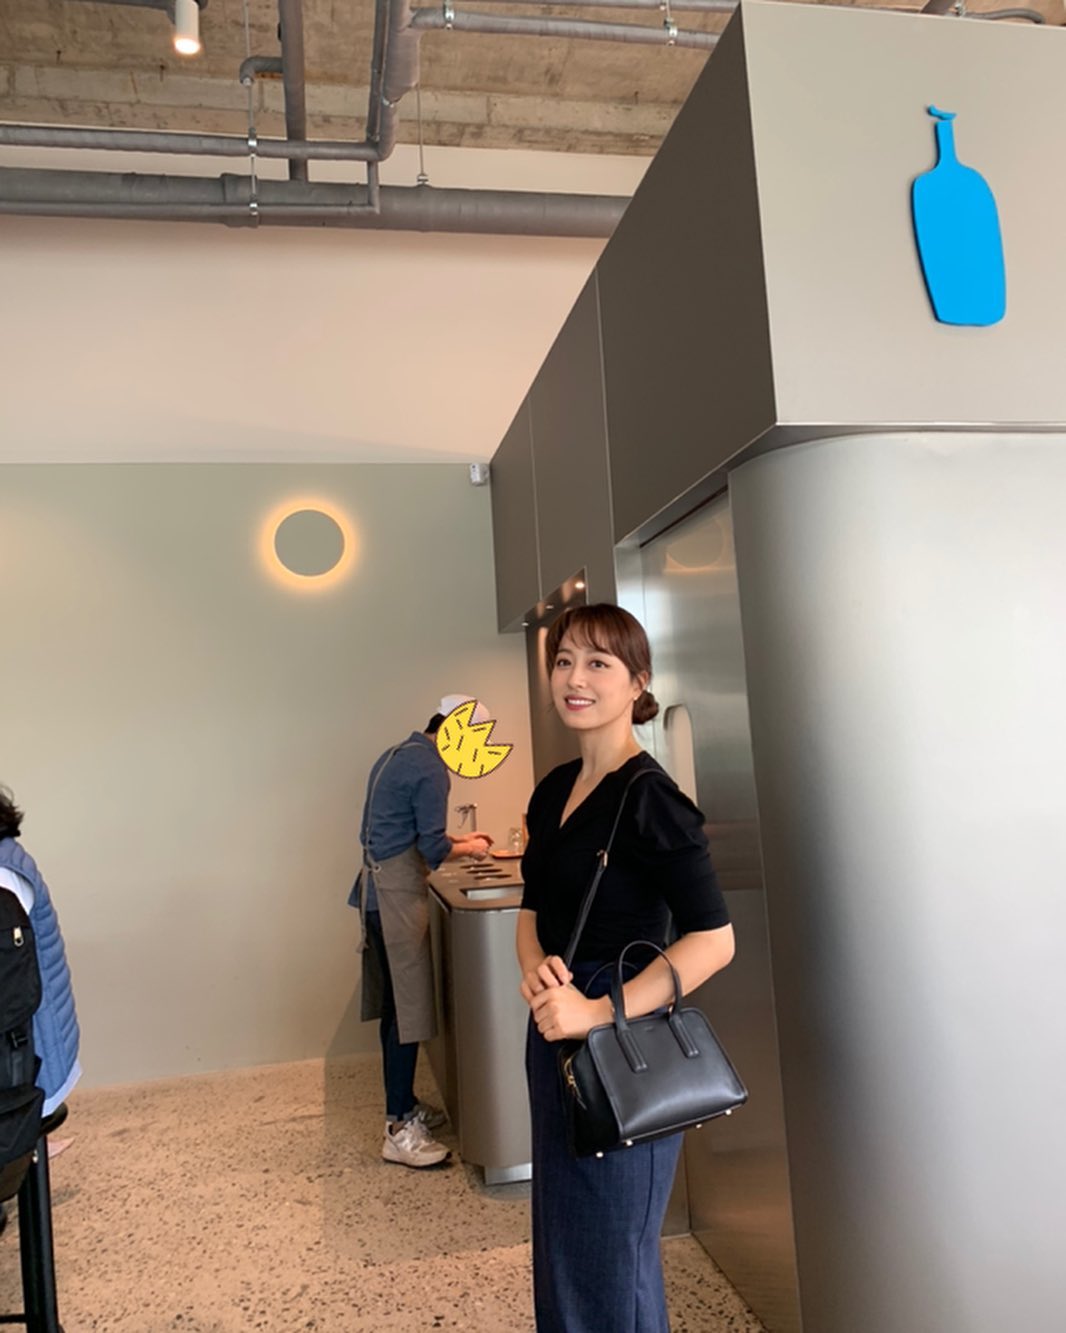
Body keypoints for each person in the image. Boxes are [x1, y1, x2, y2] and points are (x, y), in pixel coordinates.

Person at [517, 605, 736, 1333]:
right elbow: (532, 909)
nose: (575, 679)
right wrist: (538, 973)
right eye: (564, 661)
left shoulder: (652, 799)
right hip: (554, 1029)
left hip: (621, 1036)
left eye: (598, 663)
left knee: (611, 1252)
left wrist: (596, 1010)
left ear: (638, 681)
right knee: (562, 1236)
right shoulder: (553, 789)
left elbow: (714, 939)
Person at [354, 697, 494, 1169]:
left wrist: (461, 840)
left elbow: (401, 832)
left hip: (375, 894)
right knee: (408, 1012)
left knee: (396, 1010)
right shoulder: (432, 769)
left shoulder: (396, 754)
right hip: (396, 899)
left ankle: (405, 1105)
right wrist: (468, 848)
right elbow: (431, 847)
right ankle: (398, 1130)